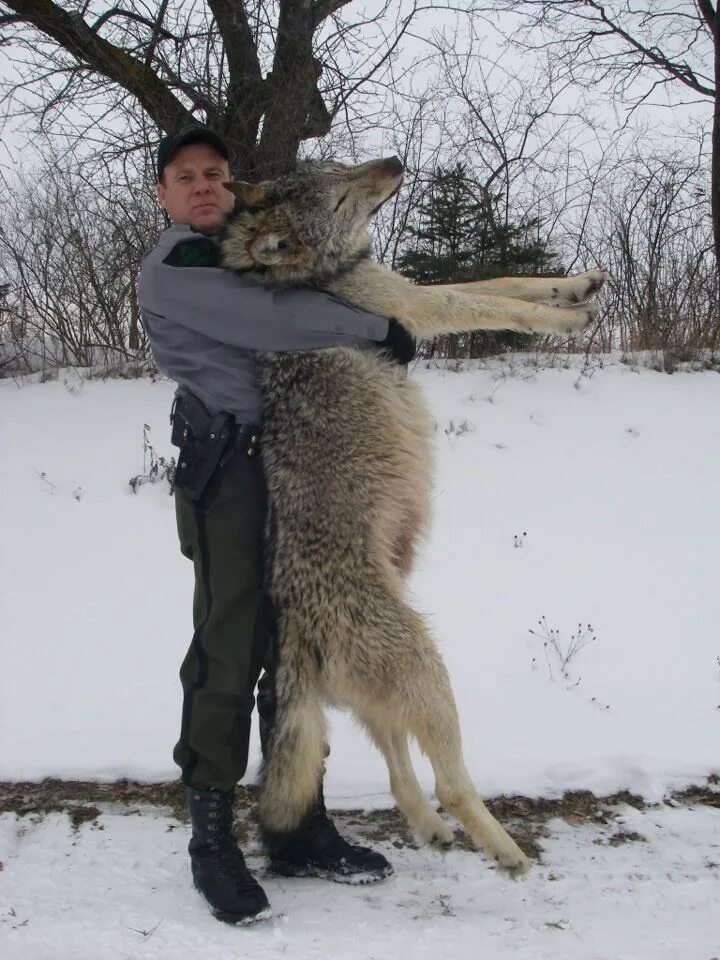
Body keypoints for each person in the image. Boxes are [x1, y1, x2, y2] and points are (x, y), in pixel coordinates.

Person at [137, 125, 412, 925]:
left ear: (232, 186)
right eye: (184, 176)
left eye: (214, 174)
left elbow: (321, 276)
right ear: (163, 194)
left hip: (294, 464)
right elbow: (276, 322)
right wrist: (377, 331)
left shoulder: (246, 246)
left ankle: (296, 824)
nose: (201, 186)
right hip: (228, 475)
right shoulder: (178, 266)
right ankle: (212, 843)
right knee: (232, 646)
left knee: (298, 648)